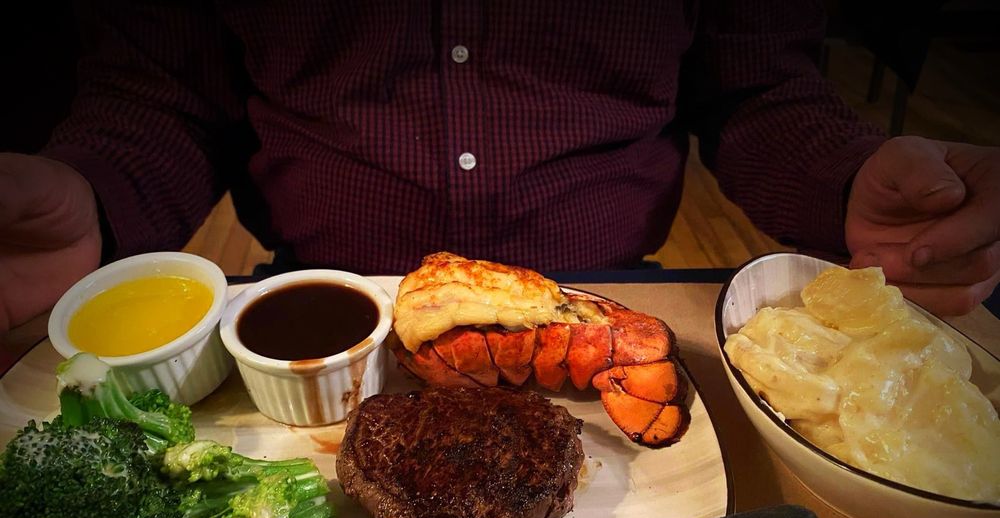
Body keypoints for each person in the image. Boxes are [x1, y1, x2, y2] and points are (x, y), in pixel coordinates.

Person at [1, 1, 997, 337]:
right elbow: (162, 92)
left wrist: (846, 175)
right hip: (315, 306)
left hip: (611, 306)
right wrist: (94, 198)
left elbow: (759, 86)